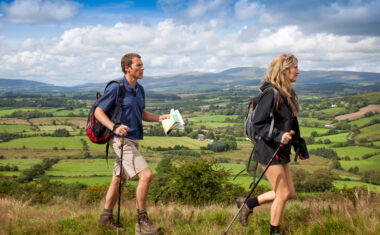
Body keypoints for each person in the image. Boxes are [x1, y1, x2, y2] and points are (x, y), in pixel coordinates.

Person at [95, 53, 170, 234]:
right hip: (120, 141)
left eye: (142, 65)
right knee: (146, 175)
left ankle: (105, 217)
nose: (142, 68)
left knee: (118, 180)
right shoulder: (116, 88)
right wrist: (114, 127)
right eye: (139, 65)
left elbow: (142, 113)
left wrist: (160, 118)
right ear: (127, 68)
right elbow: (99, 111)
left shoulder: (140, 89)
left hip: (134, 139)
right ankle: (141, 222)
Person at [236, 53, 309, 235]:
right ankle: (274, 232)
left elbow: (292, 123)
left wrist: (299, 147)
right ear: (284, 71)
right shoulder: (271, 94)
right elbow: (258, 123)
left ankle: (248, 204)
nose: (298, 72)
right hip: (269, 149)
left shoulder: (286, 93)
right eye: (295, 68)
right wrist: (278, 136)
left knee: (289, 192)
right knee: (282, 194)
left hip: (280, 150)